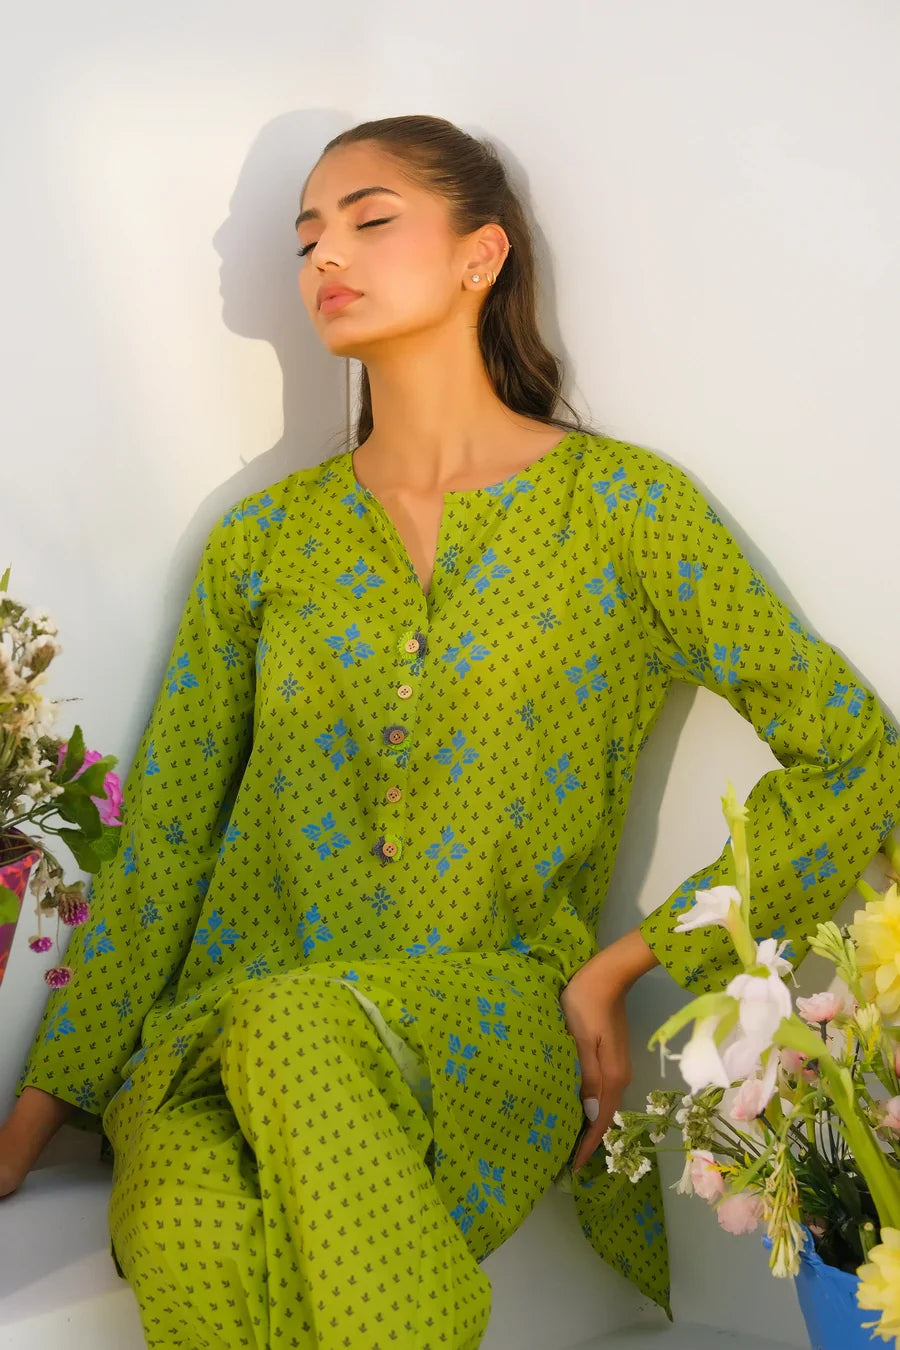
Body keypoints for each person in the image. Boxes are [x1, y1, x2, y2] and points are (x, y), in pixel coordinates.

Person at [2, 113, 899, 1350]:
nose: (325, 255)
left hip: (482, 1027)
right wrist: (30, 1126)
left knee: (295, 1026)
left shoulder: (623, 509)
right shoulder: (261, 545)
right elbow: (160, 847)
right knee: (188, 1232)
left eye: (369, 220)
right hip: (214, 1037)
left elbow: (857, 756)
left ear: (483, 255)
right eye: (306, 237)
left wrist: (624, 967)